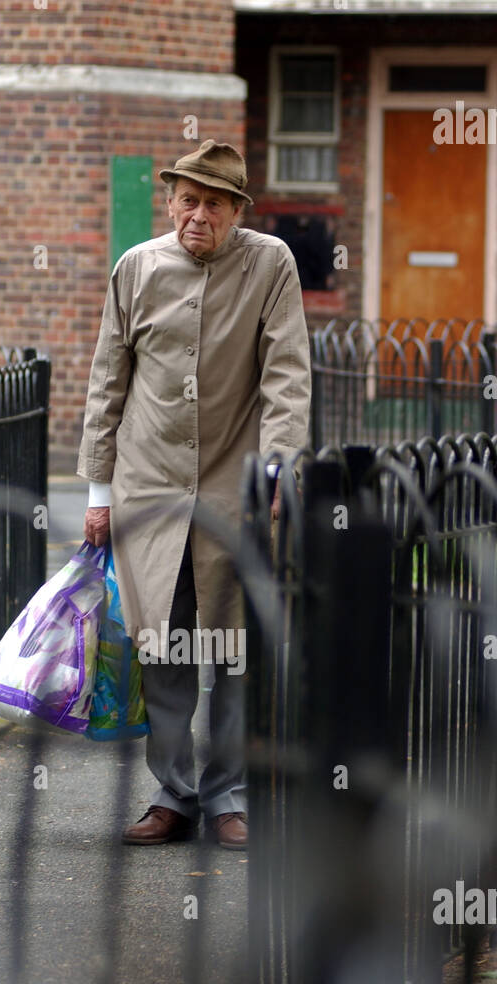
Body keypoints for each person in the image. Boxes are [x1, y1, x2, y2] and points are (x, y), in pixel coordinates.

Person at [77, 139, 311, 848]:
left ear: (238, 209)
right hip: (148, 487)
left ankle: (229, 795)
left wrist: (277, 470)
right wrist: (97, 490)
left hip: (233, 486)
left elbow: (285, 375)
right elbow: (106, 381)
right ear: (169, 202)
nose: (197, 214)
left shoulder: (270, 262)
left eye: (213, 202)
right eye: (186, 199)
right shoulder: (137, 267)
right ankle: (173, 795)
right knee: (163, 648)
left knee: (234, 647)